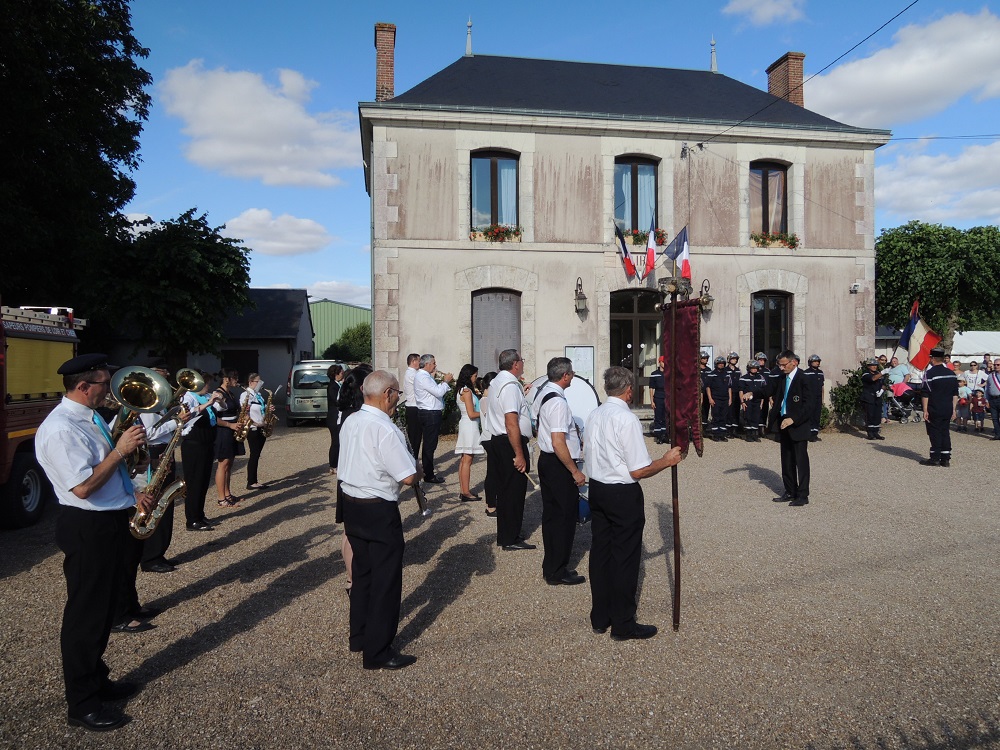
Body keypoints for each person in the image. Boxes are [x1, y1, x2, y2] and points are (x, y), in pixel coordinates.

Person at [35, 353, 154, 732]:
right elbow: (83, 487)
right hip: (87, 526)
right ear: (84, 387)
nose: (111, 392)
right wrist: (120, 449)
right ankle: (81, 703)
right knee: (85, 616)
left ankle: (97, 679)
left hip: (110, 520)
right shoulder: (60, 429)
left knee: (103, 610)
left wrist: (131, 492)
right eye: (105, 384)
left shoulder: (89, 419)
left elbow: (106, 470)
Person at [584, 366, 684, 641]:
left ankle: (600, 616)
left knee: (601, 553)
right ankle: (623, 623)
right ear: (629, 390)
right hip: (620, 493)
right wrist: (667, 461)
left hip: (598, 489)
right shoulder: (626, 419)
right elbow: (638, 470)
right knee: (624, 557)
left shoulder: (595, 413)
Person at [339, 370, 419, 670]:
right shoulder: (385, 429)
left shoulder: (352, 419)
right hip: (377, 508)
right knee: (386, 581)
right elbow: (408, 477)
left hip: (351, 505)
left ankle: (359, 636)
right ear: (387, 394)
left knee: (362, 574)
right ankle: (378, 651)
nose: (398, 398)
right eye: (397, 393)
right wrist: (417, 467)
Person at [534, 357, 587, 586]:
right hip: (558, 463)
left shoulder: (544, 394)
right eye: (572, 373)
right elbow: (558, 442)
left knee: (553, 516)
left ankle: (552, 566)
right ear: (565, 375)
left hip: (549, 461)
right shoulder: (558, 403)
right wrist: (574, 471)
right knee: (563, 518)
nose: (573, 376)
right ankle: (557, 569)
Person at [482, 349, 534, 550]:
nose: (522, 363)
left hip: (499, 440)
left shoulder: (497, 382)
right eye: (521, 360)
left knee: (505, 490)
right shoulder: (510, 386)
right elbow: (511, 422)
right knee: (513, 491)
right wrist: (519, 454)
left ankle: (507, 532)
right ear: (515, 364)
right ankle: (510, 538)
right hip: (509, 442)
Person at [337, 364, 374, 596]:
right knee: (352, 534)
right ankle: (353, 579)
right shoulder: (357, 415)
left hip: (347, 474)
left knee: (348, 530)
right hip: (355, 475)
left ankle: (352, 576)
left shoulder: (347, 411)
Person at [769, 350, 813, 506]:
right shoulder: (782, 379)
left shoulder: (804, 379)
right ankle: (790, 491)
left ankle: (802, 495)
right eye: (779, 365)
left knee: (800, 461)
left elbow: (809, 405)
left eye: (783, 365)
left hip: (798, 426)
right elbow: (768, 389)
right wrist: (751, 394)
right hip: (783, 424)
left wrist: (793, 419)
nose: (781, 368)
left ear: (793, 362)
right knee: (786, 460)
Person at [180, 372, 223, 530]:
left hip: (206, 443)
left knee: (204, 480)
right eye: (207, 384)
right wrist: (209, 402)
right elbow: (188, 415)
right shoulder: (188, 397)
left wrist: (218, 400)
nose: (209, 387)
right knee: (194, 482)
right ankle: (191, 519)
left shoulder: (205, 397)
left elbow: (221, 408)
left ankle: (199, 514)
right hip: (193, 444)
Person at [413, 354, 454, 484]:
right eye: (434, 363)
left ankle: (427, 472)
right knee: (429, 445)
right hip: (430, 413)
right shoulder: (422, 377)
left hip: (429, 412)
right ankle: (429, 475)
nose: (435, 365)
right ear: (427, 364)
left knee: (430, 445)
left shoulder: (424, 376)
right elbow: (438, 392)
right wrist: (446, 381)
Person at [920, 347, 958, 467]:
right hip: (947, 407)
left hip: (935, 407)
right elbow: (955, 393)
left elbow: (925, 393)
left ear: (932, 359)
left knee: (935, 432)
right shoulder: (952, 374)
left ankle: (935, 458)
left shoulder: (930, 373)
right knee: (945, 431)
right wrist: (953, 409)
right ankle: (945, 458)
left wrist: (925, 410)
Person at [213, 369, 244, 508]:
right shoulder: (219, 394)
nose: (236, 381)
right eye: (235, 378)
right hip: (223, 431)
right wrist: (230, 425)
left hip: (232, 428)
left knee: (229, 464)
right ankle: (221, 498)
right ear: (226, 379)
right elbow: (214, 417)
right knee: (223, 464)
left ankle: (227, 493)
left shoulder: (230, 393)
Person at [453, 364, 484, 502]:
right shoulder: (467, 392)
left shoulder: (461, 390)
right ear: (469, 375)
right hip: (469, 425)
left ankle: (464, 490)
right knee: (467, 460)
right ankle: (465, 492)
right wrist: (485, 413)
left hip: (466, 424)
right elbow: (471, 414)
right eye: (474, 376)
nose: (475, 379)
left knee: (464, 459)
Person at [241, 373, 274, 490]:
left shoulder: (258, 394)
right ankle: (251, 481)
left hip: (262, 426)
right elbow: (244, 412)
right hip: (253, 428)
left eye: (261, 382)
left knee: (257, 454)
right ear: (250, 382)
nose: (260, 384)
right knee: (254, 454)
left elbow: (260, 408)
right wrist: (254, 423)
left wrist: (267, 408)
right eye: (257, 382)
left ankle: (254, 480)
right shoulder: (245, 395)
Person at [477, 372, 498, 518]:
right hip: (489, 439)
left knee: (495, 472)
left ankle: (493, 502)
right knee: (492, 473)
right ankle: (491, 505)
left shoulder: (487, 399)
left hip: (491, 438)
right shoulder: (485, 400)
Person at [738, 360, 767, 442]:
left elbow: (762, 391)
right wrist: (742, 402)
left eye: (756, 368)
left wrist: (762, 403)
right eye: (752, 368)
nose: (754, 369)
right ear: (749, 368)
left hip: (757, 401)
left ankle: (755, 435)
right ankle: (749, 435)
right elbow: (741, 391)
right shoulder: (743, 378)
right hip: (747, 402)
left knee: (756, 417)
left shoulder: (761, 378)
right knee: (748, 417)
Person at [704, 356, 731, 442]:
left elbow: (729, 387)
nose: (721, 365)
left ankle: (722, 434)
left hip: (725, 398)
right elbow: (708, 387)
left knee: (723, 416)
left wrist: (730, 398)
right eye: (719, 364)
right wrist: (710, 398)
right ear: (716, 364)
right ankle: (716, 434)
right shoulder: (711, 374)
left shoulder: (727, 374)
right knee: (716, 416)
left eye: (722, 364)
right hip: (716, 398)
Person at [402, 353, 422, 461]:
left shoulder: (414, 373)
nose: (420, 363)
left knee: (416, 436)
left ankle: (413, 458)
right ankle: (412, 460)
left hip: (413, 406)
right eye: (419, 361)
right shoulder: (412, 374)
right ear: (413, 361)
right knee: (414, 436)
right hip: (413, 407)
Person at [860, 358, 885, 441]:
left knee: (877, 415)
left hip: (877, 398)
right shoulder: (865, 374)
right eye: (872, 365)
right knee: (870, 415)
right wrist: (882, 373)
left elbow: (884, 384)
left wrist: (881, 390)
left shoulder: (878, 374)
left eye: (875, 365)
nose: (874, 367)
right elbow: (873, 379)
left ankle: (876, 432)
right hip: (869, 398)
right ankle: (870, 433)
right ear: (868, 366)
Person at [326, 364, 344, 475]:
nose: (343, 374)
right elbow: (336, 400)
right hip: (333, 417)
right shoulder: (332, 386)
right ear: (336, 374)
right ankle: (333, 465)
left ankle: (337, 463)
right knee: (336, 441)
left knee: (339, 441)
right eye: (341, 372)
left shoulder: (337, 385)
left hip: (337, 416)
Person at [803, 354, 825, 441]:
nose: (816, 363)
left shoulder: (820, 372)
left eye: (818, 361)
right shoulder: (806, 373)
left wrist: (822, 399)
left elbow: (822, 387)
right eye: (815, 361)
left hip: (818, 397)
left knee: (817, 415)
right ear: (810, 362)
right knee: (810, 415)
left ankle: (815, 433)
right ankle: (809, 434)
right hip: (809, 398)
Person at [648, 356, 666, 443]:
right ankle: (658, 436)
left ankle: (665, 435)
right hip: (658, 398)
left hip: (667, 398)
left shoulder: (668, 374)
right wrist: (652, 401)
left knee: (665, 417)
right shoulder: (654, 374)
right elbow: (651, 388)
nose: (665, 363)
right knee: (658, 417)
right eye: (663, 362)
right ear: (660, 362)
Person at [725, 352, 741, 437]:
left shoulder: (738, 370)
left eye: (735, 359)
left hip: (737, 393)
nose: (734, 360)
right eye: (733, 358)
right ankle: (728, 430)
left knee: (736, 411)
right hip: (728, 393)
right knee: (729, 411)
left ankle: (735, 430)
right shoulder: (726, 370)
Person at [988, 358, 1000, 440]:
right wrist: (986, 400)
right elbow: (987, 389)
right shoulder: (990, 375)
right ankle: (997, 434)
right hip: (992, 399)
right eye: (995, 364)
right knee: (994, 418)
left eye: (998, 365)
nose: (996, 366)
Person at [699, 351, 711, 427]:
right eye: (703, 358)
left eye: (706, 358)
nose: (705, 359)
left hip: (707, 393)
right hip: (699, 393)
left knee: (706, 410)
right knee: (699, 410)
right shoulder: (696, 369)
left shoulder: (709, 370)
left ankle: (705, 426)